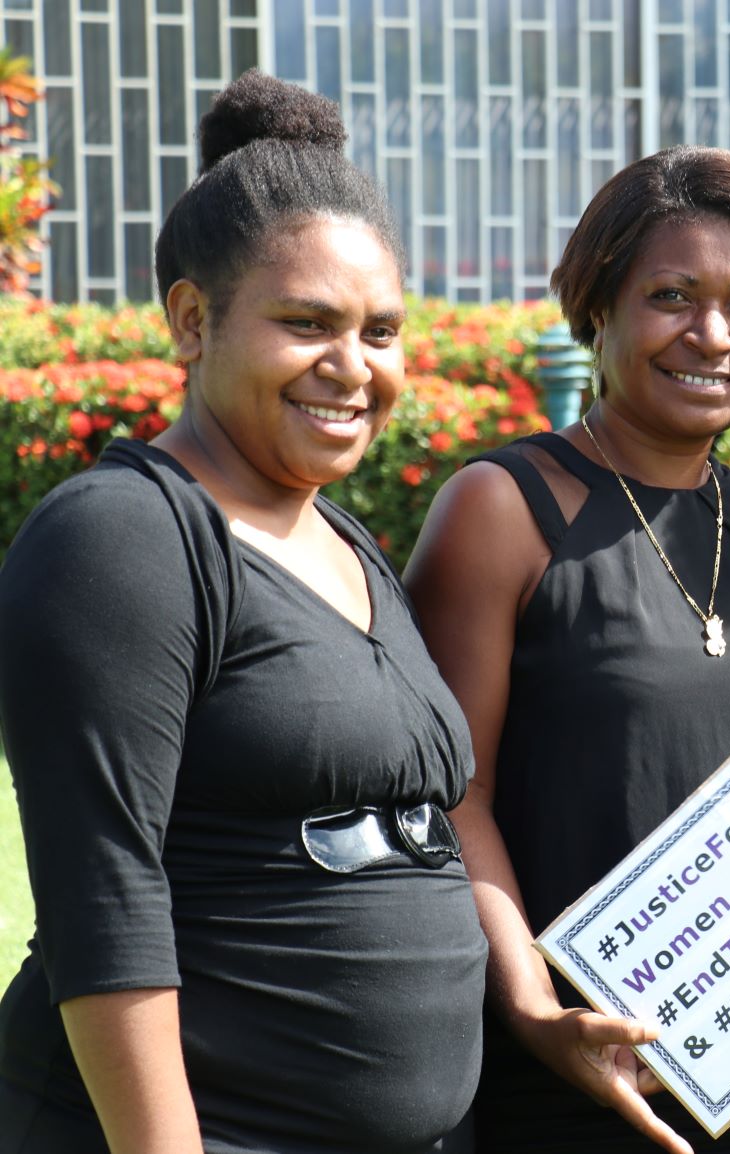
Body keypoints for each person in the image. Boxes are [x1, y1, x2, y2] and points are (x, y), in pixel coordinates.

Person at [0, 71, 487, 1153]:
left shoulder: (346, 541)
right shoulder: (122, 539)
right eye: (307, 323)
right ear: (191, 320)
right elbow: (104, 901)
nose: (352, 368)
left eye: (381, 331)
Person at [402, 146, 730, 1154]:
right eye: (671, 296)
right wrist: (537, 1014)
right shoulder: (500, 510)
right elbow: (453, 797)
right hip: (589, 1084)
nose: (713, 336)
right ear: (601, 306)